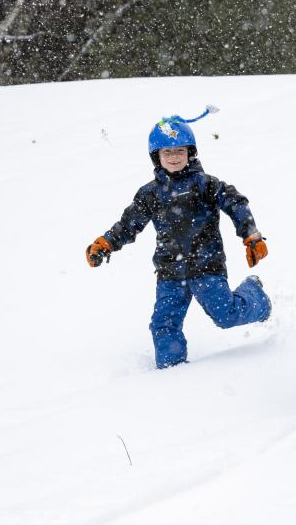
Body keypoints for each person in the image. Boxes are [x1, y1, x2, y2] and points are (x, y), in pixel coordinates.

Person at [85, 107, 271, 369]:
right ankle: (172, 374)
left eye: (180, 151)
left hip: (207, 268)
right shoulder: (150, 194)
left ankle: (256, 295)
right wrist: (106, 243)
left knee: (226, 316)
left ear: (190, 153)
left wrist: (251, 235)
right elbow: (129, 225)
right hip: (170, 272)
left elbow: (235, 202)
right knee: (163, 324)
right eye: (167, 152)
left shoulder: (205, 184)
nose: (174, 157)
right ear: (156, 156)